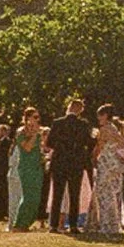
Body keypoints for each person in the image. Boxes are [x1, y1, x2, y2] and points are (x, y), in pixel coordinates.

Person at [47, 98, 94, 233]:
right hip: (76, 162)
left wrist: (61, 147)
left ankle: (53, 225)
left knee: (57, 194)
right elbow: (89, 143)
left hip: (60, 162)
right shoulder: (83, 125)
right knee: (74, 195)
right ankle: (73, 225)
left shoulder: (57, 123)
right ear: (80, 110)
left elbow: (49, 143)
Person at [91, 103, 124, 238]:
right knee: (111, 193)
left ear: (105, 115)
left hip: (106, 163)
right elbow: (122, 144)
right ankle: (112, 223)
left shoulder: (105, 129)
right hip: (114, 163)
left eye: (100, 115)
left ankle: (106, 224)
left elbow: (99, 147)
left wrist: (94, 158)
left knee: (104, 193)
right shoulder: (115, 129)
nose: (98, 118)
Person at [8, 108, 46, 230]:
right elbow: (27, 147)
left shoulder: (38, 132)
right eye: (35, 117)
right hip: (26, 167)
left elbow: (40, 148)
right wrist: (35, 134)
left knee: (36, 197)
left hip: (36, 166)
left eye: (38, 117)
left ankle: (27, 223)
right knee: (28, 196)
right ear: (27, 117)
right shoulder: (21, 132)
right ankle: (18, 224)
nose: (37, 120)